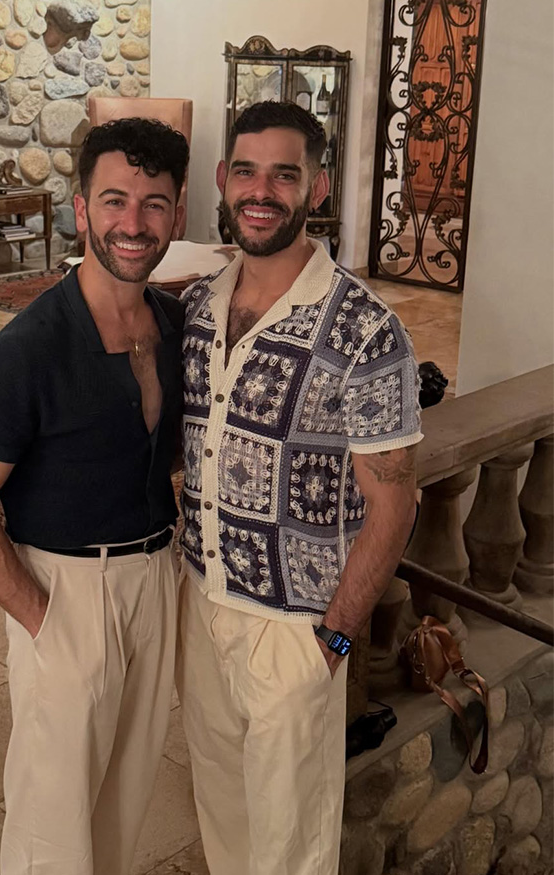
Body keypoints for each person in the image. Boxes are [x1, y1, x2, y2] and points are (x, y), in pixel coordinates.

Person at [0, 117, 189, 875]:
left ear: (178, 213)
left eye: (153, 202)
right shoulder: (29, 348)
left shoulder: (174, 324)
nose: (133, 222)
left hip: (154, 578)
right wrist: (44, 620)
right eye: (114, 201)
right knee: (53, 826)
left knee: (122, 805)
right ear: (81, 210)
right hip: (66, 588)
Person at [177, 101, 422, 875]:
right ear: (223, 179)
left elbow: (395, 502)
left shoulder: (367, 330)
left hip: (293, 630)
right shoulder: (196, 308)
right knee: (223, 817)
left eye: (286, 174)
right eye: (246, 170)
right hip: (202, 603)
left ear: (316, 188)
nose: (262, 190)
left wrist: (336, 640)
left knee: (288, 849)